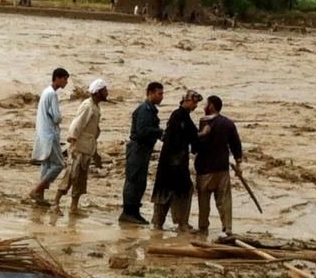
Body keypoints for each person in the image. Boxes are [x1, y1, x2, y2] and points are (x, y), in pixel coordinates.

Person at [151, 90, 205, 231]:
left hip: (168, 162)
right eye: (194, 103)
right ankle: (182, 223)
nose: (195, 106)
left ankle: (158, 223)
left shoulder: (179, 116)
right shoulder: (181, 117)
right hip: (176, 162)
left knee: (164, 190)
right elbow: (192, 136)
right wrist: (204, 134)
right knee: (184, 191)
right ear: (186, 101)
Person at [53, 79, 108, 215]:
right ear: (97, 92)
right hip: (78, 149)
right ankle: (55, 203)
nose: (107, 93)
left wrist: (95, 153)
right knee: (70, 177)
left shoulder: (95, 106)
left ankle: (73, 207)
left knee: (80, 180)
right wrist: (73, 143)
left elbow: (93, 132)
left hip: (87, 149)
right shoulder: (87, 106)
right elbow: (76, 125)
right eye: (104, 91)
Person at [194, 95, 242, 237]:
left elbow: (197, 146)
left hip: (205, 168)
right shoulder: (228, 123)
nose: (204, 107)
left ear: (212, 106)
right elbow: (236, 144)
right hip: (222, 167)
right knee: (224, 200)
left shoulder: (204, 122)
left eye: (206, 104)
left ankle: (203, 227)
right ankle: (227, 227)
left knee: (204, 200)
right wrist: (239, 163)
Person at [119, 82, 164, 225]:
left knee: (140, 182)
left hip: (143, 149)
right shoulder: (145, 110)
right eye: (159, 93)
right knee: (133, 181)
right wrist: (159, 132)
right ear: (150, 93)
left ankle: (134, 212)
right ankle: (128, 212)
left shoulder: (151, 110)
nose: (161, 97)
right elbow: (142, 131)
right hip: (138, 148)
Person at [30, 68, 70, 206]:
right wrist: (60, 119)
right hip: (50, 135)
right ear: (57, 78)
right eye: (65, 79)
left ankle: (39, 196)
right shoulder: (52, 94)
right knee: (59, 164)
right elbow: (57, 117)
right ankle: (37, 190)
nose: (66, 82)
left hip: (42, 133)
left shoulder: (45, 92)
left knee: (46, 164)